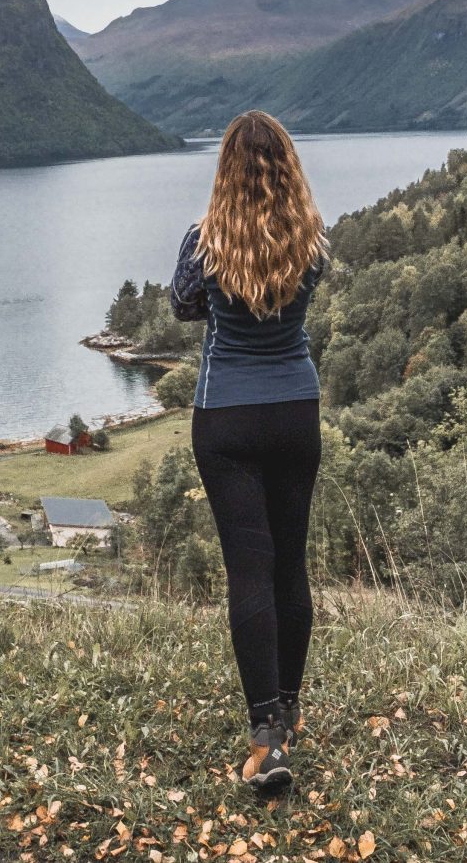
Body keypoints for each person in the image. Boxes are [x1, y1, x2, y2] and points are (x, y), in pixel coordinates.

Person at [168, 110, 328, 794]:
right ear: (288, 165)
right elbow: (304, 291)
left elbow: (182, 305)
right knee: (291, 565)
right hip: (295, 409)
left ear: (225, 169)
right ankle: (286, 716)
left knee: (250, 570)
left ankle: (265, 732)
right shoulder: (313, 241)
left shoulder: (204, 242)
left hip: (226, 418)